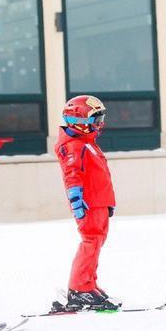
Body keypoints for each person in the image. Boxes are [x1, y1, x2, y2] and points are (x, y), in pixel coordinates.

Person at [54, 95, 120, 311]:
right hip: (88, 204)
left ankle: (88, 283)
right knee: (90, 242)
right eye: (96, 120)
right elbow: (71, 175)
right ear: (80, 121)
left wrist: (108, 202)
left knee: (96, 243)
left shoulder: (87, 144)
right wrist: (76, 201)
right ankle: (79, 288)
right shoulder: (73, 146)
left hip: (99, 202)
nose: (100, 125)